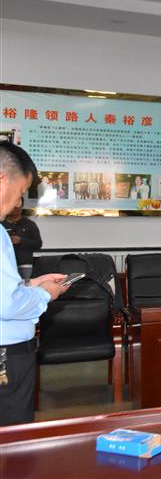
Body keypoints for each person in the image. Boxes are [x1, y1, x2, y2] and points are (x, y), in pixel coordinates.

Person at [0, 142, 68, 426]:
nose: (18, 202)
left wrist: (30, 284)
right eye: (20, 192)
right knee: (13, 439)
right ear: (2, 179)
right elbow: (7, 304)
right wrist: (45, 294)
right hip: (6, 356)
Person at [1, 198, 42, 266]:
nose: (16, 207)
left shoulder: (30, 224)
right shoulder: (2, 225)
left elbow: (38, 244)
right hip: (5, 265)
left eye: (18, 205)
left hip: (24, 264)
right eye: (13, 205)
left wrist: (20, 241)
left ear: (22, 206)